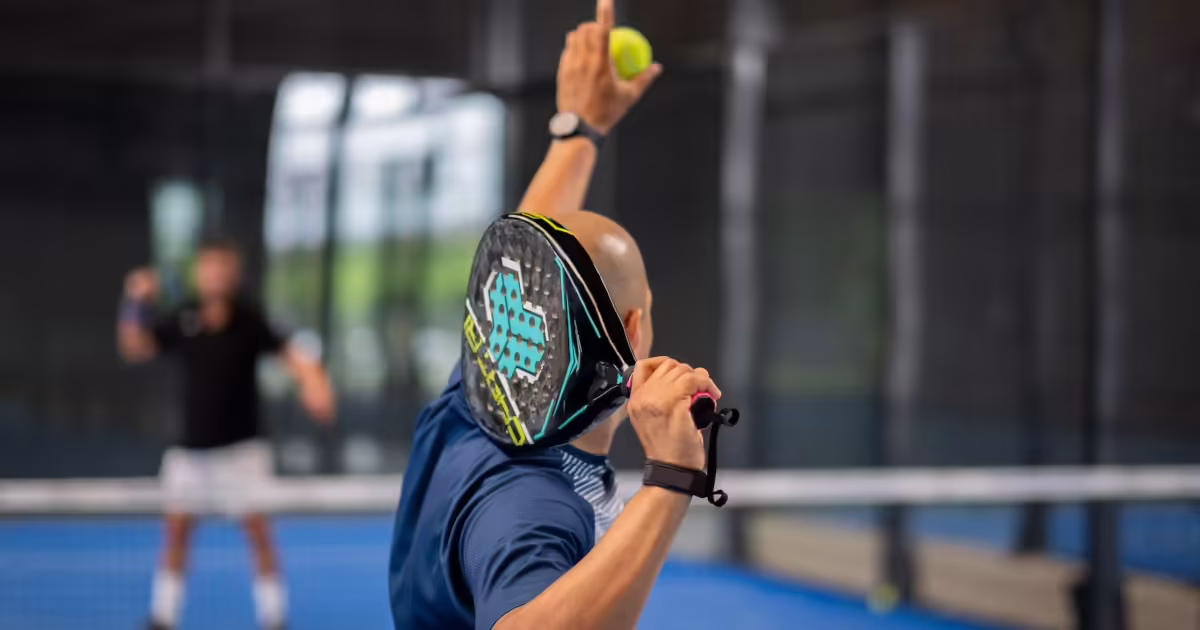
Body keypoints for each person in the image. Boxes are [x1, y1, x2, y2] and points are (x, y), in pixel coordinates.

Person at [388, 1, 722, 628]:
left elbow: (532, 264)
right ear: (634, 330)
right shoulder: (533, 502)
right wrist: (672, 478)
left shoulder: (478, 396)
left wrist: (579, 130)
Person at [117, 236, 335, 630]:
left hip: (243, 452)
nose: (216, 273)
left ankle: (274, 619)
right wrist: (136, 300)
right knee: (177, 535)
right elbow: (134, 345)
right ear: (199, 271)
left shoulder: (251, 320)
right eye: (209, 265)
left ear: (234, 272)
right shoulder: (182, 318)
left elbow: (296, 359)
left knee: (259, 535)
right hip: (191, 453)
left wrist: (314, 383)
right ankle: (163, 618)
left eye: (224, 265)